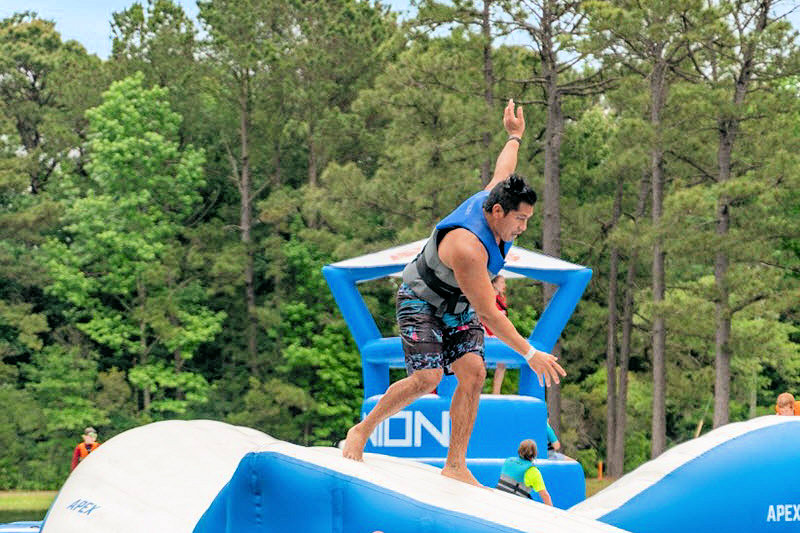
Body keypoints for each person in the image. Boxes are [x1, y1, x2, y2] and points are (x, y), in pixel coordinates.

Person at [342, 99, 565, 487]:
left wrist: (514, 136)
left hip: (456, 304)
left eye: (528, 219)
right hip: (421, 301)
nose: (523, 228)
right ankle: (362, 429)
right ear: (497, 212)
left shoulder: (498, 197)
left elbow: (504, 169)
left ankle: (456, 464)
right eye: (520, 220)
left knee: (474, 372)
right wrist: (530, 354)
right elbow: (492, 315)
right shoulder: (467, 246)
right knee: (428, 378)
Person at [496, 439, 553, 506]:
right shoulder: (532, 471)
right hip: (514, 506)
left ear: (519, 450)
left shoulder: (508, 461)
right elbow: (545, 496)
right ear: (535, 453)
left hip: (498, 501)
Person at [483, 274, 509, 394]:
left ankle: (496, 393)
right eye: (502, 282)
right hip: (487, 336)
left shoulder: (502, 299)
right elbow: (481, 317)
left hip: (498, 336)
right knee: (482, 365)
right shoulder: (487, 298)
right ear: (494, 283)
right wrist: (484, 333)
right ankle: (478, 392)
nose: (504, 285)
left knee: (502, 362)